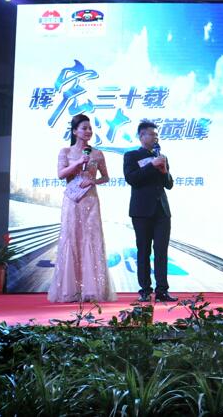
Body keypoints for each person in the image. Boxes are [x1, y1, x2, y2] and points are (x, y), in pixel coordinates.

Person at [48, 114, 117, 303]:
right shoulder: (65, 152)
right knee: (72, 238)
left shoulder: (97, 154)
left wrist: (93, 181)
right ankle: (70, 290)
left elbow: (106, 177)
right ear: (74, 131)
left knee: (90, 239)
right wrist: (78, 163)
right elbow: (61, 174)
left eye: (90, 128)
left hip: (91, 201)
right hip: (72, 201)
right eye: (84, 128)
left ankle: (92, 290)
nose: (88, 131)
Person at [124, 121, 175, 302]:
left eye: (156, 135)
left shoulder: (162, 157)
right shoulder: (131, 155)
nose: (155, 138)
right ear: (141, 136)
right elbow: (132, 179)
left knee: (161, 251)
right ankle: (145, 290)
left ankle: (162, 290)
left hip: (162, 211)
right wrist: (151, 165)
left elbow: (169, 184)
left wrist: (164, 171)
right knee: (143, 251)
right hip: (141, 211)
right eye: (152, 134)